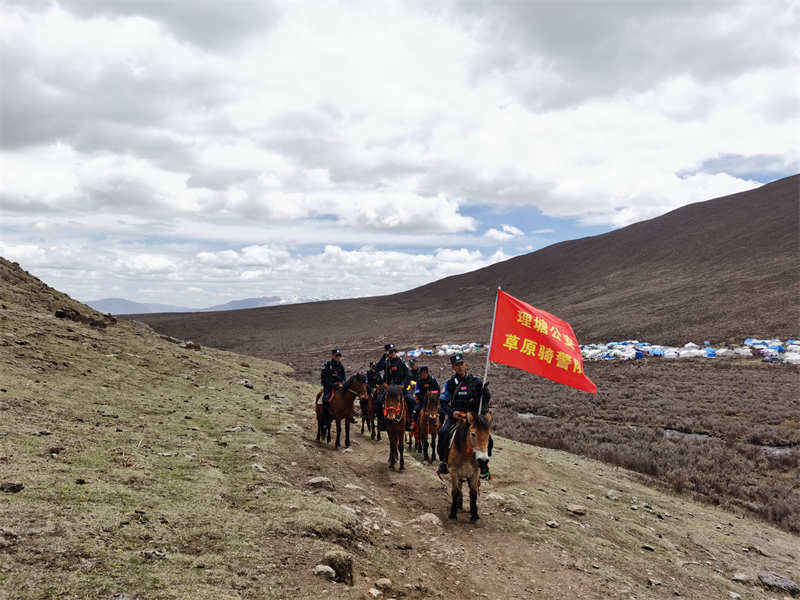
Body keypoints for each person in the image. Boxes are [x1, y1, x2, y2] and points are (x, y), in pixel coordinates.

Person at [436, 353, 491, 478]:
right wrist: (452, 413)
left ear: (465, 365)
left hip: (473, 418)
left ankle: (484, 464)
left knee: (488, 438)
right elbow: (443, 402)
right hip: (456, 417)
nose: (460, 367)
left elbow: (486, 399)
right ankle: (444, 461)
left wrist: (485, 393)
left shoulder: (476, 381)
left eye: (461, 364)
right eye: (457, 365)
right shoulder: (450, 384)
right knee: (443, 433)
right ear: (453, 368)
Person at [320, 348, 346, 426]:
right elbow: (324, 378)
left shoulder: (341, 366)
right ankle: (325, 419)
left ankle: (349, 415)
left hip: (339, 386)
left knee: (348, 397)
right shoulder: (328, 365)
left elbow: (344, 377)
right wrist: (333, 384)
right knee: (325, 400)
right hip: (329, 387)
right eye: (336, 356)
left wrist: (342, 383)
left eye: (339, 356)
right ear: (333, 356)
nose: (338, 357)